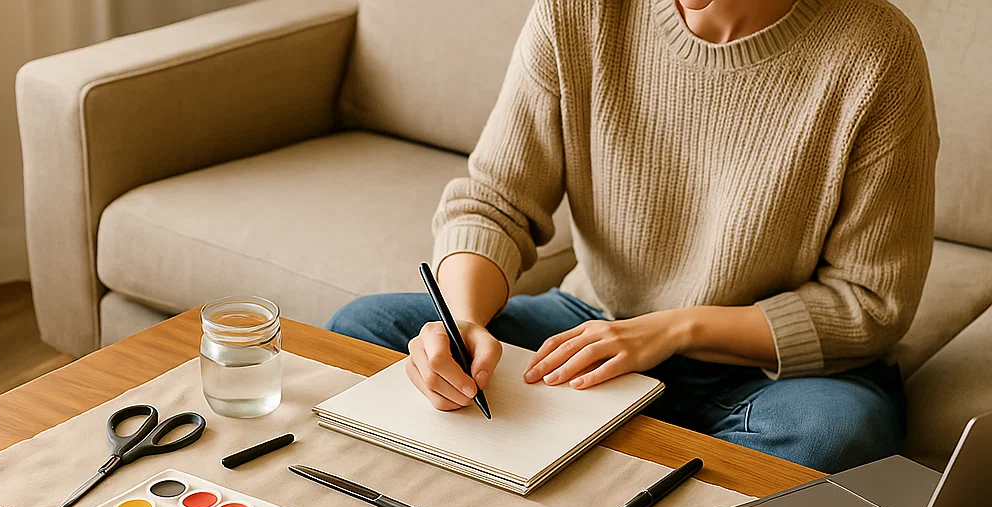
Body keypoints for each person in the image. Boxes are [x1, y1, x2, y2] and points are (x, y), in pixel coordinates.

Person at [327, 0, 938, 473]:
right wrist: (462, 323)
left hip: (763, 369)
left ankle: (597, 485)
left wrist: (673, 329)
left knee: (838, 433)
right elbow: (496, 201)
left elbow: (868, 303)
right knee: (366, 331)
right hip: (590, 326)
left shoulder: (876, 50)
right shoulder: (582, 10)